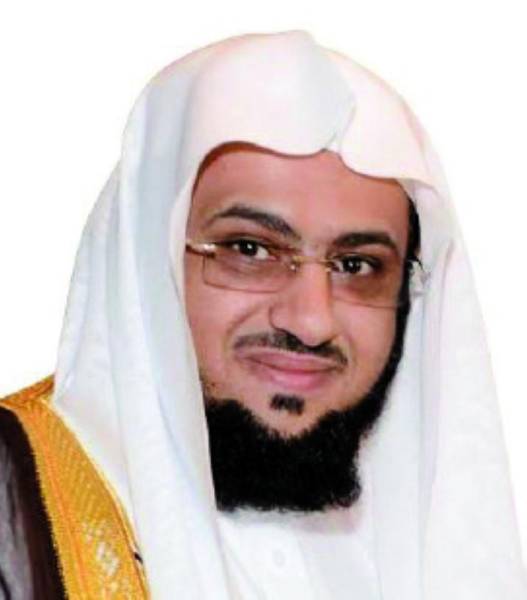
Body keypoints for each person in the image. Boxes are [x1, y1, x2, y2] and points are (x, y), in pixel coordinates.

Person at [0, 30, 525, 600]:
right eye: (249, 250)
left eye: (356, 265)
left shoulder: (416, 537)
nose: (311, 321)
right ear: (146, 258)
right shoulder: (16, 499)